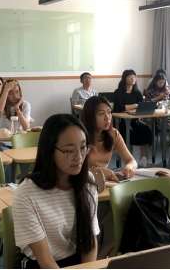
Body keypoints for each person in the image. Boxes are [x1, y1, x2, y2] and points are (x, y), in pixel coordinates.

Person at [13, 114, 99, 269]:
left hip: (76, 262)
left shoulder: (87, 182)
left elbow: (90, 242)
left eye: (83, 148)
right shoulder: (27, 193)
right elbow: (45, 261)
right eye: (70, 151)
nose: (79, 157)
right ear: (50, 151)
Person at [81, 96, 137, 182]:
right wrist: (95, 171)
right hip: (83, 183)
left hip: (103, 182)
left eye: (109, 112)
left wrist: (129, 167)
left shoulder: (113, 134)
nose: (107, 118)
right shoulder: (80, 137)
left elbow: (132, 160)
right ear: (90, 117)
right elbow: (71, 171)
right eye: (101, 114)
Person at [113, 69, 153, 168]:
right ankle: (129, 161)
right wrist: (135, 105)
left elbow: (142, 106)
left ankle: (142, 158)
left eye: (134, 77)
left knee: (146, 130)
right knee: (128, 133)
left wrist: (128, 107)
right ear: (124, 78)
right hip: (121, 121)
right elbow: (119, 108)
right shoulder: (118, 92)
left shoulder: (137, 92)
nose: (132, 78)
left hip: (134, 120)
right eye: (130, 76)